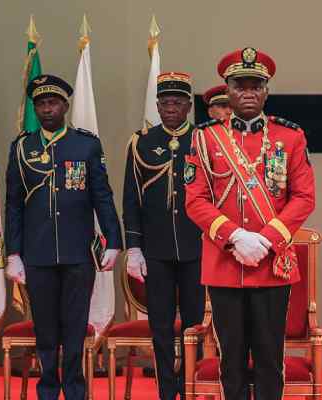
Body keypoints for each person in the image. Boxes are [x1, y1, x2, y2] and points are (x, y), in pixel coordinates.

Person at [184, 47, 316, 400]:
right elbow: (195, 200)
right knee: (231, 360)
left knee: (271, 359)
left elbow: (304, 197)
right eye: (239, 85)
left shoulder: (290, 137)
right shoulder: (205, 137)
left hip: (272, 265)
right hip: (225, 263)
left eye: (255, 85)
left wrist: (267, 239)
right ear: (227, 89)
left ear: (266, 91)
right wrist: (236, 236)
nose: (247, 92)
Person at [4, 74, 122, 400]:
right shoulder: (21, 147)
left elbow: (102, 195)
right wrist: (13, 253)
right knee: (44, 329)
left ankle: (74, 389)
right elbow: (13, 204)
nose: (46, 109)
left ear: (65, 106)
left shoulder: (85, 144)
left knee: (73, 328)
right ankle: (47, 389)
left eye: (53, 102)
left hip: (77, 254)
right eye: (40, 103)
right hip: (37, 254)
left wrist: (113, 240)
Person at [122, 71, 204, 400]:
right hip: (155, 251)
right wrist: (135, 248)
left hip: (196, 248)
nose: (170, 108)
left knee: (195, 325)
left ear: (188, 106)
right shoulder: (141, 142)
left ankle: (191, 386)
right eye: (164, 102)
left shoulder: (203, 139)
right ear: (157, 105)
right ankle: (166, 391)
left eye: (178, 102)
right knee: (160, 325)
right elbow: (131, 199)